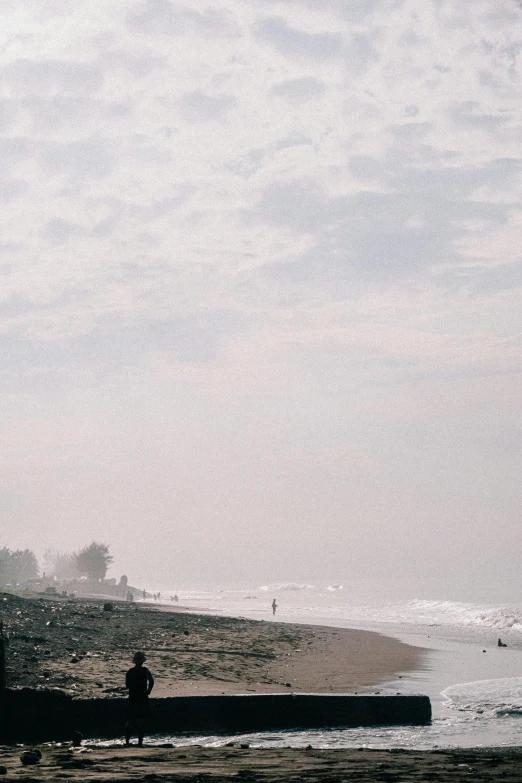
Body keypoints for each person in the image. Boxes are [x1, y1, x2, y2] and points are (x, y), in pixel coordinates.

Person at [125, 652, 154, 746]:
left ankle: (127, 741)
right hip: (142, 696)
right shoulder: (145, 670)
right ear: (142, 661)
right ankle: (140, 741)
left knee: (130, 720)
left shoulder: (130, 671)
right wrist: (148, 690)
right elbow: (151, 681)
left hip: (133, 697)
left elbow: (127, 685)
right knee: (142, 720)